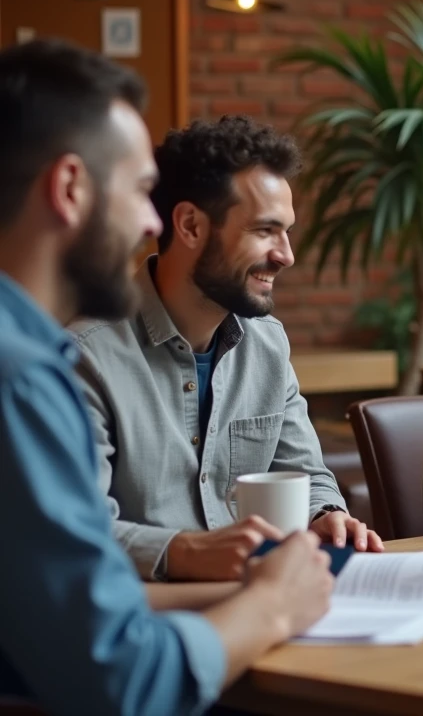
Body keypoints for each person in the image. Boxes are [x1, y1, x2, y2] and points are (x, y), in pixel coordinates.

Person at [0, 38, 333, 714]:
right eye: (140, 191)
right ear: (69, 189)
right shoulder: (27, 374)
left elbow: (91, 600)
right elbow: (118, 676)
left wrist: (276, 583)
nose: (149, 221)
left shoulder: (29, 358)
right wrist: (267, 605)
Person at [72, 115, 382, 583]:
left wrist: (326, 516)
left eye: (287, 231)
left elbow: (307, 474)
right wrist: (187, 551)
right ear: (191, 225)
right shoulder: (85, 357)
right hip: (149, 620)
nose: (286, 255)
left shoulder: (269, 345)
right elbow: (76, 532)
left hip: (271, 607)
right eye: (265, 231)